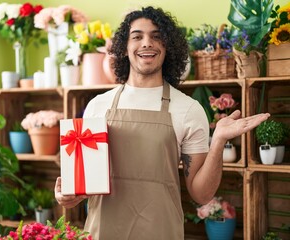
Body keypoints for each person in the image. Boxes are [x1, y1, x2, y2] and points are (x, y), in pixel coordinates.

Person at [54, 6, 270, 239]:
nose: (147, 43)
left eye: (156, 37)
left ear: (167, 47)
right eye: (137, 37)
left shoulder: (188, 110)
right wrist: (69, 195)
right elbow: (85, 185)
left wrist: (218, 140)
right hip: (103, 232)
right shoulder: (98, 106)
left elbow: (202, 194)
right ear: (124, 48)